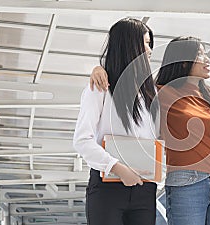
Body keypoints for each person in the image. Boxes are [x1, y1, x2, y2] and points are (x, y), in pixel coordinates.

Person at [89, 36, 210, 224]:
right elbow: (127, 77)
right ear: (182, 61)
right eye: (200, 54)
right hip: (188, 183)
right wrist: (99, 69)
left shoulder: (208, 97)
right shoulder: (159, 93)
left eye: (206, 54)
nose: (207, 60)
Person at [73, 18, 158, 225]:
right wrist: (118, 168)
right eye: (146, 43)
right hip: (107, 187)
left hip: (144, 188)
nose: (150, 50)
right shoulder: (100, 87)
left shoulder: (150, 92)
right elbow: (82, 141)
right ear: (130, 45)